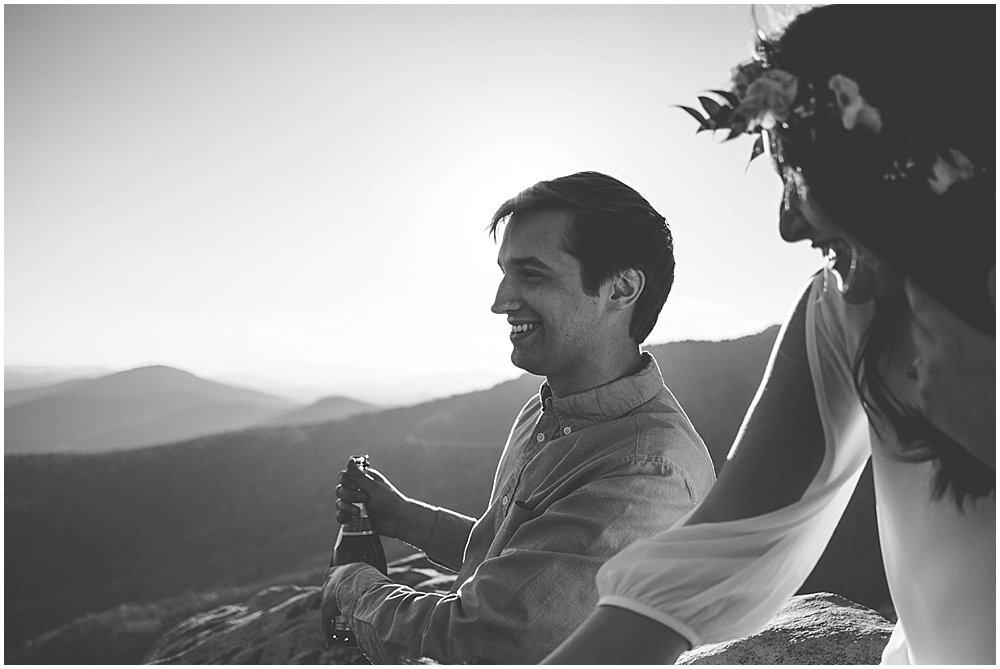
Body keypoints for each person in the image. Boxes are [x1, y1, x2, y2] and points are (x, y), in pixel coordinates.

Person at [545, 6, 994, 665]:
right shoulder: (844, 313)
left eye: (800, 173)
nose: (787, 224)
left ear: (897, 165)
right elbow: (712, 554)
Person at [319, 171, 716, 663]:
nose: (500, 301)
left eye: (532, 275)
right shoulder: (544, 409)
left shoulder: (644, 472)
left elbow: (485, 640)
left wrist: (353, 587)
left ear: (621, 289)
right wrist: (407, 520)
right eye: (504, 273)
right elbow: (525, 567)